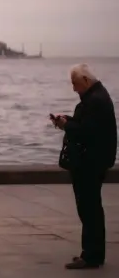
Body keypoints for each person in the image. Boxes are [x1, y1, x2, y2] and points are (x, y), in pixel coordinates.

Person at [51, 64, 117, 270]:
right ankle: (90, 253)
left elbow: (86, 132)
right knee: (90, 208)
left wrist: (66, 125)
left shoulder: (95, 101)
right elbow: (87, 125)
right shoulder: (97, 97)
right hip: (95, 160)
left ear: (86, 81)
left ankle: (91, 256)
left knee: (89, 209)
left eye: (75, 84)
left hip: (90, 162)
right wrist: (69, 120)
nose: (74, 89)